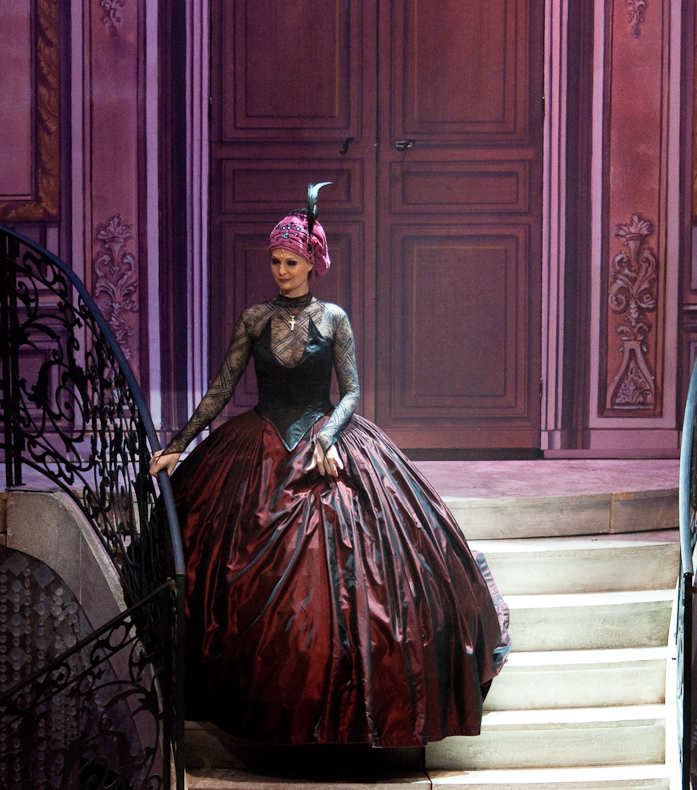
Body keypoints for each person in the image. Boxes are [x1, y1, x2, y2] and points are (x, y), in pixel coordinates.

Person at [150, 185, 509, 748]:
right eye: (275, 261)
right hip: (259, 440)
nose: (281, 271)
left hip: (325, 437)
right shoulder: (254, 318)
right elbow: (222, 389)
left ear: (312, 263)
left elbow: (352, 392)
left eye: (291, 262)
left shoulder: (334, 318)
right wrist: (179, 443)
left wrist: (329, 434)